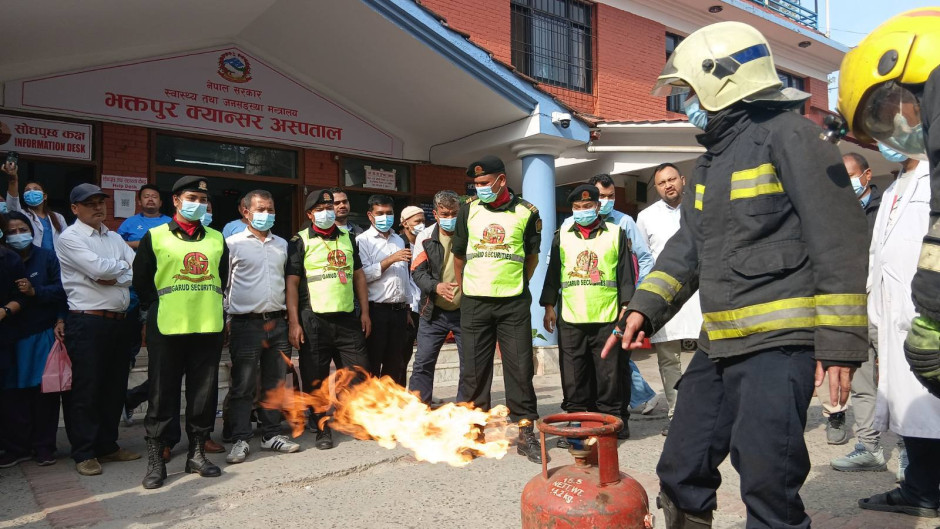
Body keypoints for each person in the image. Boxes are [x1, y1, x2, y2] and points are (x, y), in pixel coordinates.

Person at [609, 22, 869, 528]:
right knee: (682, 467)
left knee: (768, 478)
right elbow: (688, 248)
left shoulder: (794, 135)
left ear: (720, 79)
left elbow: (839, 237)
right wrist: (643, 307)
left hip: (780, 344)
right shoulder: (710, 164)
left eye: (688, 90)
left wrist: (840, 345)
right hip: (720, 343)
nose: (686, 102)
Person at [134, 176, 227, 489]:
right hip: (168, 326)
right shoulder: (155, 236)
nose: (197, 204)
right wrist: (159, 308)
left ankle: (197, 454)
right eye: (191, 198)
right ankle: (157, 461)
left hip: (207, 326)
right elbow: (142, 281)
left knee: (203, 394)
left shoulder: (216, 238)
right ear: (175, 201)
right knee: (162, 394)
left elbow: (222, 277)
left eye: (203, 200)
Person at [452, 155, 542, 464]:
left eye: (484, 183)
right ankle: (473, 433)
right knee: (473, 371)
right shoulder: (468, 210)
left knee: (520, 368)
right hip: (475, 303)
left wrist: (517, 283)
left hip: (512, 302)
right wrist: (465, 290)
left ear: (501, 180)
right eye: (475, 184)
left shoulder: (527, 212)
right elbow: (459, 256)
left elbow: (531, 258)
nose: (478, 188)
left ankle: (526, 432)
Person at [56, 183, 140, 477]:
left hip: (119, 320)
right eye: (89, 203)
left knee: (114, 387)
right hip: (87, 322)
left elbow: (135, 271)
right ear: (75, 208)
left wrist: (114, 273)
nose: (97, 207)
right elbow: (99, 270)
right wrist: (116, 270)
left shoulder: (114, 237)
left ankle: (107, 445)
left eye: (100, 202)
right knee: (86, 388)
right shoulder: (70, 238)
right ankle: (84, 451)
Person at [540, 184, 634, 440]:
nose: (582, 211)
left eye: (587, 206)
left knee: (609, 374)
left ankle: (610, 423)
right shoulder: (562, 234)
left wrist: (625, 308)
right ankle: (576, 423)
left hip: (607, 316)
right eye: (577, 207)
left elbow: (626, 274)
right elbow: (553, 274)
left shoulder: (615, 233)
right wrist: (549, 306)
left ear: (597, 206)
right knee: (573, 375)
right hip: (571, 317)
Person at [287, 189, 371, 450]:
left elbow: (359, 276)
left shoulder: (348, 237)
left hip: (347, 318)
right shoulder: (299, 240)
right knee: (316, 377)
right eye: (320, 209)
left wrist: (365, 312)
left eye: (329, 207)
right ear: (310, 214)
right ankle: (322, 427)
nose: (326, 212)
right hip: (313, 320)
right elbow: (292, 284)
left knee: (358, 373)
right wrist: (294, 322)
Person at [818, 153, 885, 471]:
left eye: (851, 176)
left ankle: (909, 451)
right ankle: (869, 447)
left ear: (867, 175)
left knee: (898, 382)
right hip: (851, 308)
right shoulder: (832, 212)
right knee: (861, 383)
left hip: (885, 303)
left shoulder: (887, 207)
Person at [222, 190, 299, 464]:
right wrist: (226, 320)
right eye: (261, 209)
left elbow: (288, 282)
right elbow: (223, 284)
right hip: (246, 323)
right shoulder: (232, 244)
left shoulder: (282, 244)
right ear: (246, 212)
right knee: (243, 385)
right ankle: (240, 438)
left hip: (277, 323)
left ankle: (271, 434)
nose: (266, 214)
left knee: (274, 383)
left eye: (270, 209)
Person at [636, 163, 703, 436]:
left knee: (707, 357)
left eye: (672, 179)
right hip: (665, 297)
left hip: (700, 295)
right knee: (668, 360)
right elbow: (643, 259)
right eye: (662, 182)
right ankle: (677, 415)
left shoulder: (701, 208)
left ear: (683, 180)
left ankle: (709, 413)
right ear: (657, 187)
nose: (668, 185)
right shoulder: (646, 217)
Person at [0, 212, 54, 468]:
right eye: (11, 231)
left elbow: (61, 290)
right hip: (10, 337)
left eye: (22, 229)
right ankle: (16, 447)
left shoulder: (45, 257)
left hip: (38, 333)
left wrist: (35, 292)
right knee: (12, 395)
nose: (18, 235)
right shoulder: (7, 258)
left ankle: (44, 446)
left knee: (42, 393)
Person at [409, 191, 463, 405]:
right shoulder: (425, 236)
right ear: (436, 214)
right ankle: (418, 409)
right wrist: (436, 286)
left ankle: (465, 410)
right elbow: (417, 272)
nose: (450, 218)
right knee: (423, 362)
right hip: (433, 312)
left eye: (454, 213)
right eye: (445, 214)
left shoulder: (469, 234)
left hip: (465, 311)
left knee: (471, 365)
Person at [357, 195, 413, 385]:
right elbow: (363, 276)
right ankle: (372, 402)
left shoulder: (398, 240)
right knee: (373, 364)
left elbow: (404, 276)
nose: (385, 217)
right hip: (376, 311)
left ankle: (390, 401)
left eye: (389, 213)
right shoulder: (363, 240)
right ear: (370, 215)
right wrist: (390, 260)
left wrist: (407, 308)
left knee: (395, 364)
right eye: (380, 213)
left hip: (399, 312)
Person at [4, 163, 68, 250]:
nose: (31, 192)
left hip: (55, 257)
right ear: (24, 196)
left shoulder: (58, 217)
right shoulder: (22, 215)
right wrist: (13, 180)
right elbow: (12, 202)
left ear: (44, 196)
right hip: (34, 256)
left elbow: (66, 240)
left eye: (36, 189)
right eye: (27, 190)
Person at [399, 205, 425, 377]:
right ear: (405, 223)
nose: (421, 224)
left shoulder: (425, 243)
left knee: (416, 357)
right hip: (407, 308)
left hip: (422, 307)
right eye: (417, 221)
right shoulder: (399, 243)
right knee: (400, 358)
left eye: (423, 220)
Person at [116, 184, 171, 250]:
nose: (150, 199)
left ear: (160, 203)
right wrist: (135, 244)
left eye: (154, 197)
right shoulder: (130, 222)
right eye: (146, 197)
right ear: (139, 202)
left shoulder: (170, 222)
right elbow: (116, 243)